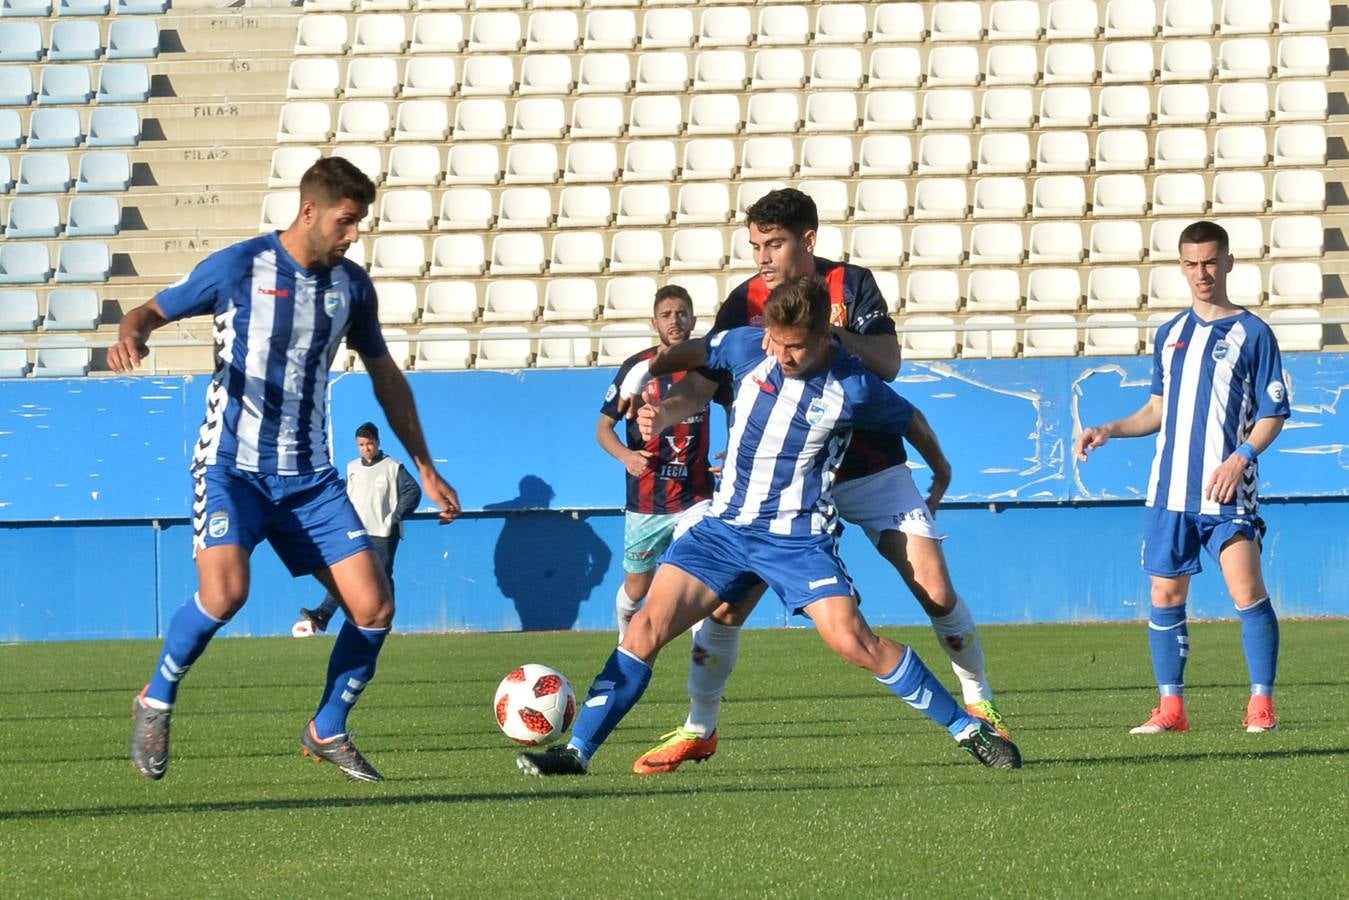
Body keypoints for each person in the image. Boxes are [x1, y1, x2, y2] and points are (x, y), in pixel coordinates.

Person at [517, 277, 1022, 777]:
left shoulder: (853, 386)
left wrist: (942, 468)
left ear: (826, 336)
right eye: (776, 342)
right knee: (645, 627)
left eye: (796, 346)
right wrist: (639, 379)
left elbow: (910, 419)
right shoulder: (745, 344)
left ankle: (968, 729)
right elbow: (689, 351)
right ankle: (577, 751)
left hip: (795, 539)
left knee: (853, 641)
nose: (782, 355)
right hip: (724, 530)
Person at [612, 188, 1009, 774]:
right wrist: (664, 413)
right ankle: (699, 729)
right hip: (781, 484)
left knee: (935, 590)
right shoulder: (741, 303)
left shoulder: (851, 285)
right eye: (755, 246)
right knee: (723, 611)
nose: (763, 258)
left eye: (774, 244)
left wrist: (815, 328)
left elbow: (888, 363)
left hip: (869, 466)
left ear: (809, 241)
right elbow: (703, 383)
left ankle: (981, 705)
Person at [111, 157, 461, 783]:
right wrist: (130, 335)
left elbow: (386, 378)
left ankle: (327, 727)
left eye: (359, 223)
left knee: (375, 608)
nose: (354, 236)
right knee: (226, 593)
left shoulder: (351, 288)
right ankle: (155, 700)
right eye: (347, 222)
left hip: (310, 480)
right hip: (232, 469)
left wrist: (427, 466)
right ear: (310, 211)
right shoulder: (240, 266)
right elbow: (147, 313)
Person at [1075, 220, 1289, 735]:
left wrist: (1240, 457)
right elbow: (1157, 410)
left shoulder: (1253, 334)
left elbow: (1273, 414)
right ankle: (1172, 708)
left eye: (1211, 261)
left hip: (1225, 489)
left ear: (1229, 263)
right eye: (1192, 264)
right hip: (1169, 492)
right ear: (1181, 266)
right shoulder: (1170, 333)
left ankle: (1261, 704)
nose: (1202, 273)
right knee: (1165, 597)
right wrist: (1109, 428)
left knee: (1247, 593)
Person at [596, 285, 725, 640]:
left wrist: (733, 454)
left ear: (693, 319)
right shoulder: (636, 369)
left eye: (682, 313)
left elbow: (738, 411)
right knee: (636, 589)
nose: (675, 321)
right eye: (667, 315)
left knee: (700, 579)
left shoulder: (709, 368)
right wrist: (626, 456)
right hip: (648, 499)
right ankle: (626, 641)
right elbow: (604, 428)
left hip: (696, 495)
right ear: (654, 322)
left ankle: (703, 659)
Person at [295, 421, 422, 635]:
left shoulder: (393, 467)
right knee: (346, 574)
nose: (366, 448)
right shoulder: (352, 467)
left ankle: (383, 621)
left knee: (380, 578)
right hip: (356, 532)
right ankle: (323, 614)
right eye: (361, 445)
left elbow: (413, 492)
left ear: (378, 442)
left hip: (383, 534)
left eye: (369, 443)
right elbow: (346, 496)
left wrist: (394, 516)